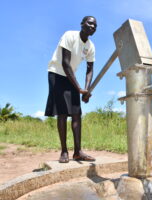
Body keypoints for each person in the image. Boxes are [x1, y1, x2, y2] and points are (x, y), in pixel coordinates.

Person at [45, 16, 97, 163]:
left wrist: (86, 89)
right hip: (57, 73)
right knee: (62, 113)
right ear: (82, 24)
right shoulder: (69, 36)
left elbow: (89, 69)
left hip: (71, 77)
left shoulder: (90, 47)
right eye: (90, 23)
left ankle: (78, 152)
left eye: (95, 26)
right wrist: (80, 89)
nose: (92, 27)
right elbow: (65, 63)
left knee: (76, 113)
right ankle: (64, 151)